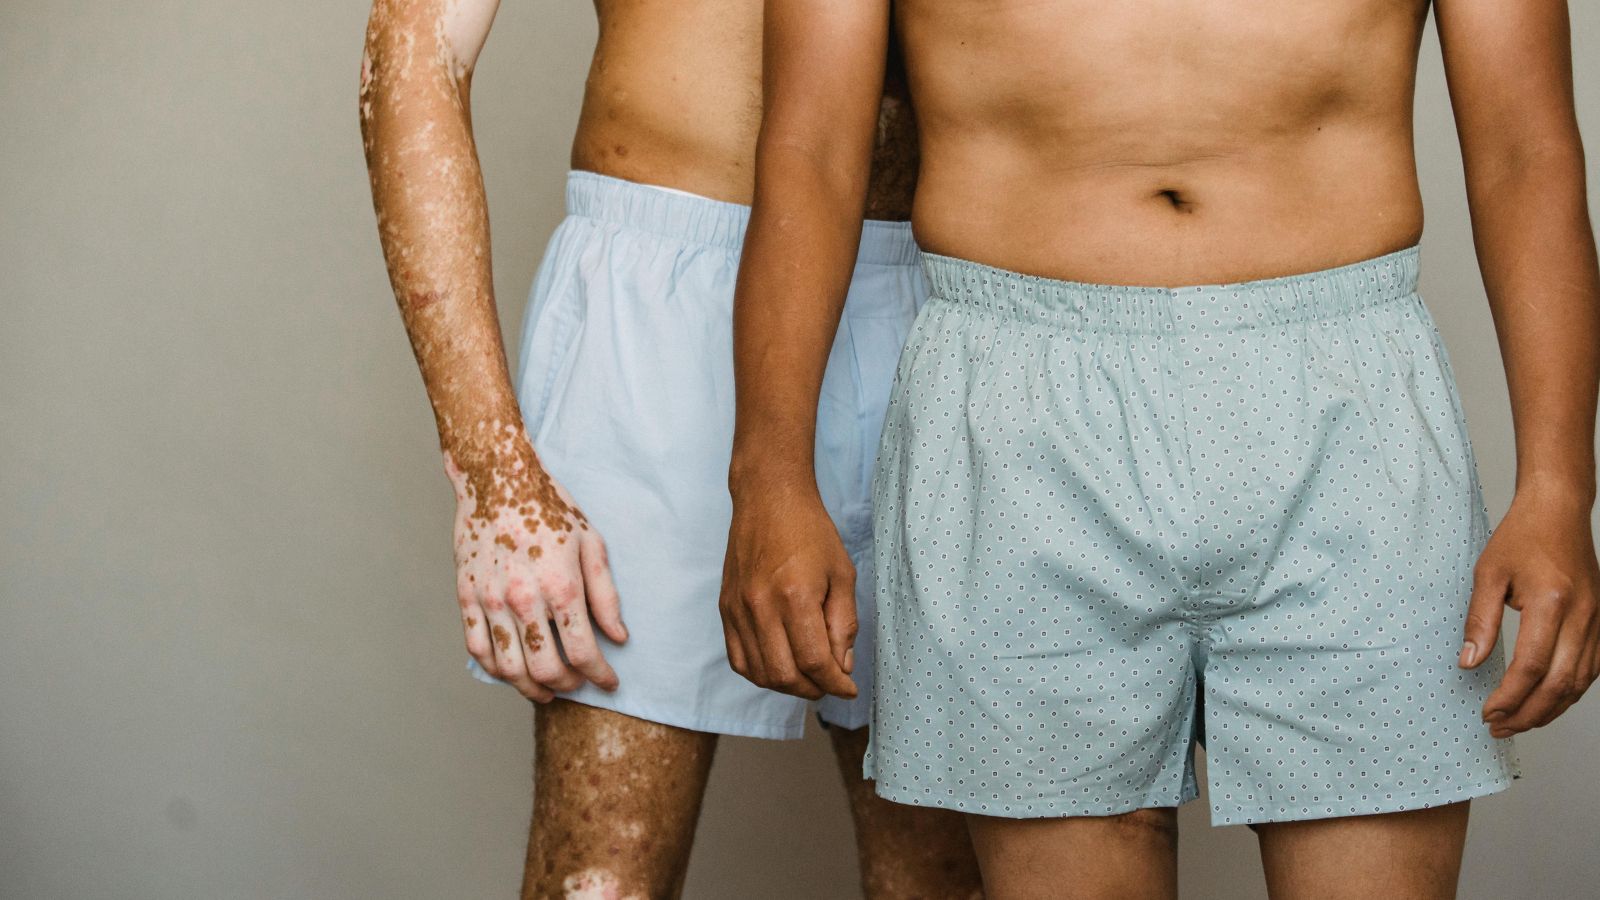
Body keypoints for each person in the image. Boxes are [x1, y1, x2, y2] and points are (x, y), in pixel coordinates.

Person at [720, 2, 1600, 898]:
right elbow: (812, 153)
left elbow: (1525, 150)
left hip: (1348, 413)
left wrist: (1562, 487)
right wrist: (768, 477)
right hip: (1019, 428)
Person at [359, 1, 982, 897]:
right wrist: (493, 468)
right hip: (666, 295)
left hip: (956, 296)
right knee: (599, 880)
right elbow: (415, 51)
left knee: (950, 882)